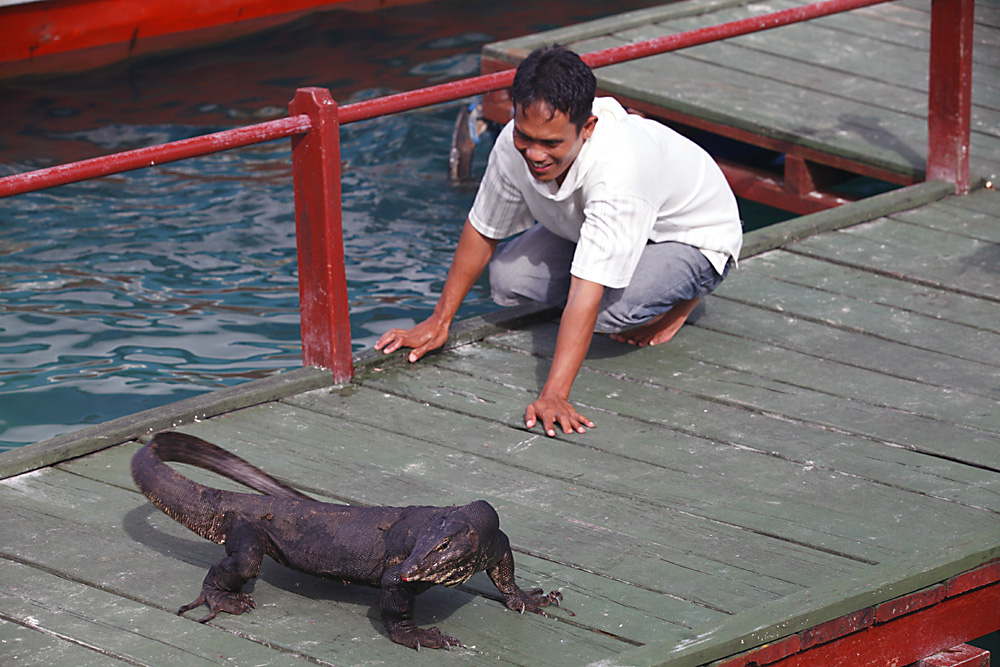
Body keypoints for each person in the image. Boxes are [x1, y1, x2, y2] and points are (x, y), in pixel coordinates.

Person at [375, 45, 742, 438]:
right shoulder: (512, 144)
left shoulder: (619, 171)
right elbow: (483, 228)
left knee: (607, 312)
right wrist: (438, 320)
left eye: (551, 144)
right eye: (525, 136)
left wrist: (554, 394)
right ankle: (615, 266)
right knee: (506, 277)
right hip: (588, 228)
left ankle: (685, 295)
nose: (534, 154)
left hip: (690, 237)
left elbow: (586, 292)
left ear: (587, 128)